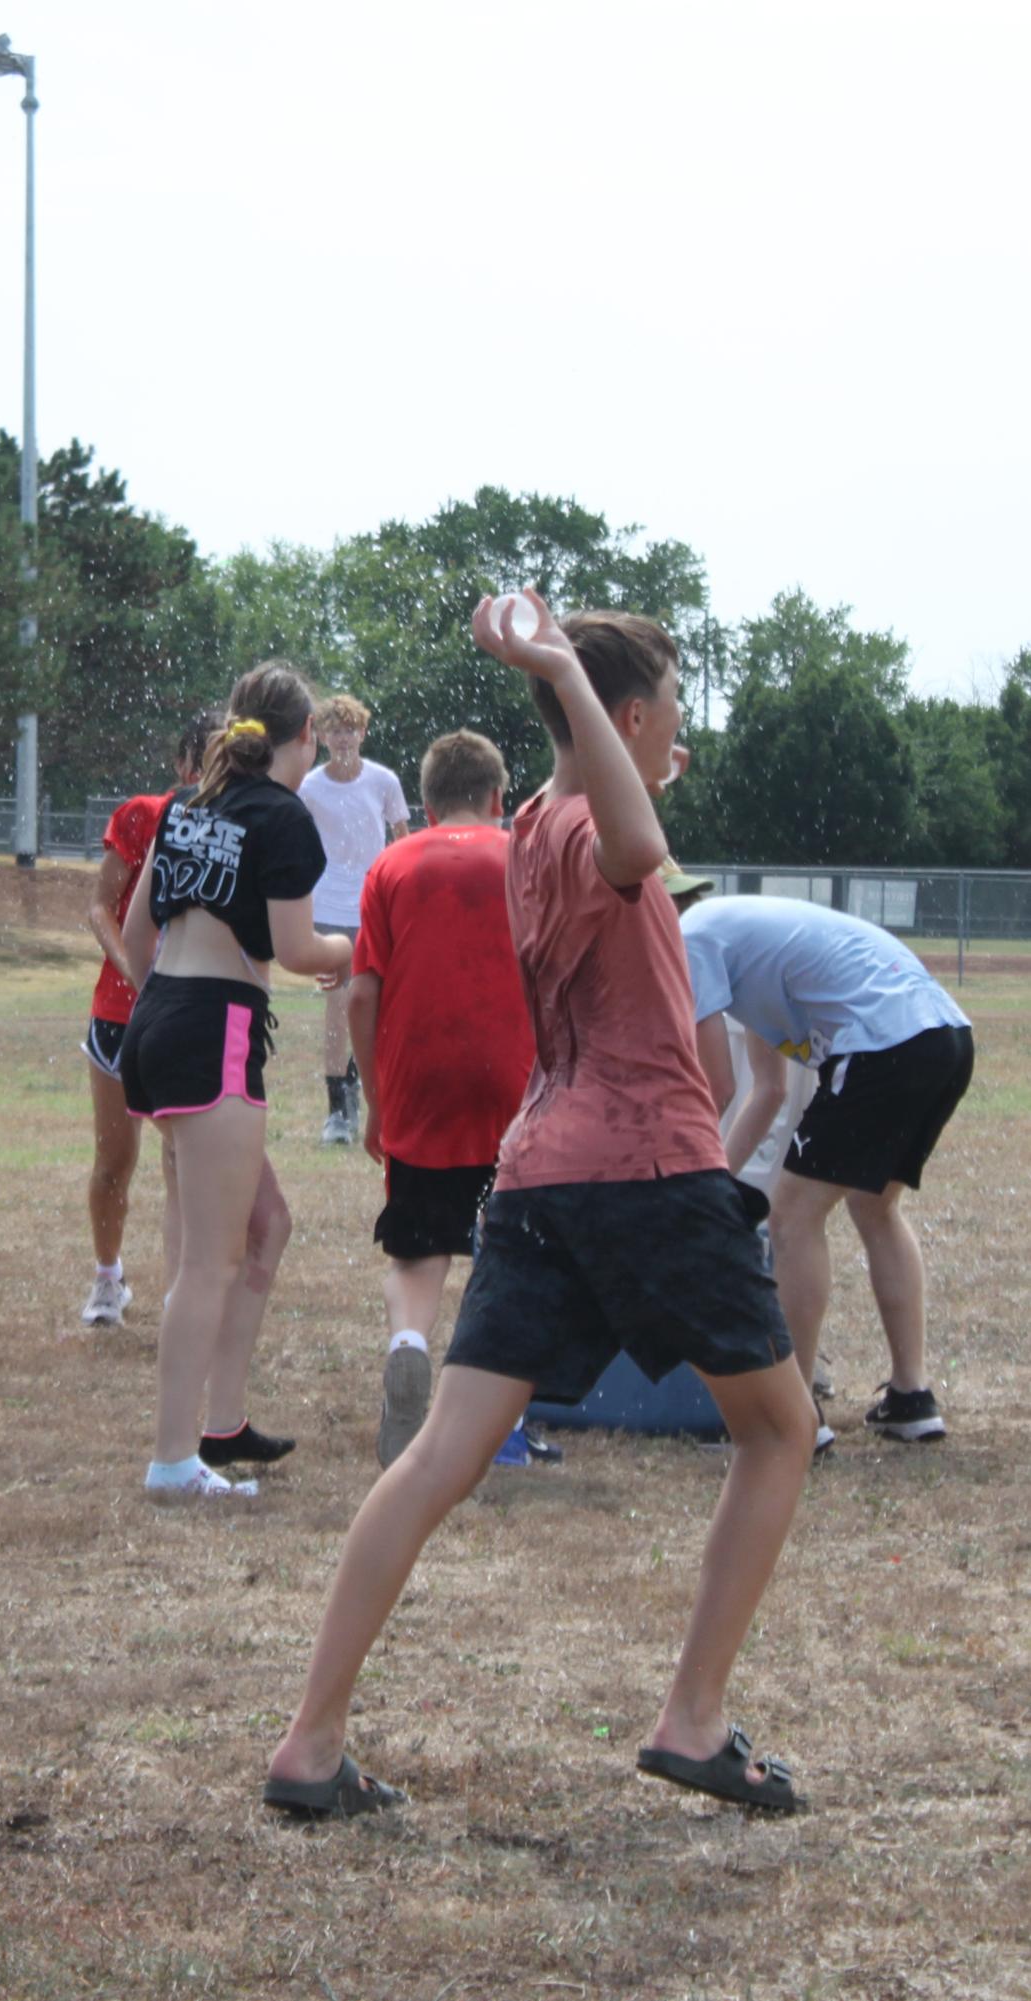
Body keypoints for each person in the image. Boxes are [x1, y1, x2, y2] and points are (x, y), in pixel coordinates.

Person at [265, 592, 816, 1822]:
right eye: (668, 715)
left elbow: (624, 830)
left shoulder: (528, 819)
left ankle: (309, 1742)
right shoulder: (584, 827)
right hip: (644, 1169)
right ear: (623, 718)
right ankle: (692, 1719)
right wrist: (566, 668)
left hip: (537, 1172)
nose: (682, 739)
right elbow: (633, 845)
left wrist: (565, 676)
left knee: (438, 1456)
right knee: (779, 1432)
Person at [119, 662, 354, 1500]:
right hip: (213, 1026)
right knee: (208, 1261)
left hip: (157, 1023)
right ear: (305, 738)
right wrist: (357, 951)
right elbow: (298, 951)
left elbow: (138, 940)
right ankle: (174, 1460)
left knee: (264, 1226)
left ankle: (219, 1425)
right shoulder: (283, 816)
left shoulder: (187, 804)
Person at [680, 895, 974, 1444]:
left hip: (887, 1042)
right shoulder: (739, 946)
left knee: (791, 1217)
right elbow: (765, 1092)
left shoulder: (689, 939)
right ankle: (912, 1398)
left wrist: (686, 1185)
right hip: (945, 1037)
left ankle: (791, 1416)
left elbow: (715, 1087)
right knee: (874, 1206)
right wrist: (716, 1184)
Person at [348, 728, 550, 1469]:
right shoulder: (525, 860)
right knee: (510, 1253)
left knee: (417, 1248)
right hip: (516, 1084)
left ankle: (408, 1346)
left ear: (426, 805)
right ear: (498, 798)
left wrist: (376, 1099)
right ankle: (501, 1429)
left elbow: (361, 995)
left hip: (420, 1083)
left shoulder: (391, 865)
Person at [79, 710, 219, 1328]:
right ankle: (108, 1279)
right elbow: (101, 907)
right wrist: (137, 974)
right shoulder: (144, 815)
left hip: (188, 1014)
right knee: (115, 1160)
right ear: (185, 767)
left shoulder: (235, 828)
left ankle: (180, 1293)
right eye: (210, 762)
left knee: (183, 1162)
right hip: (121, 1014)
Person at [299, 695, 409, 1143]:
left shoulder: (383, 781)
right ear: (321, 737)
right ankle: (338, 1112)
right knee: (339, 1003)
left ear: (363, 733)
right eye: (334, 730)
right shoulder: (309, 787)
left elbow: (402, 839)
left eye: (350, 729)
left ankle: (370, 1093)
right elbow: (297, 843)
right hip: (328, 906)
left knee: (377, 1003)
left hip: (374, 902)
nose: (343, 737)